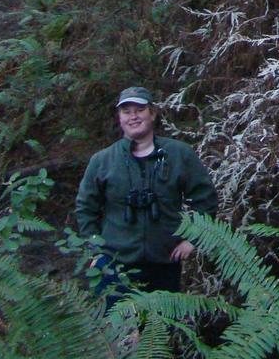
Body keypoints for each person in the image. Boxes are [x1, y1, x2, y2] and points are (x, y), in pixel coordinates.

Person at [75, 85, 218, 298]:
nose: (133, 116)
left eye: (140, 110)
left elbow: (205, 198)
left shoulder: (179, 154)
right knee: (118, 329)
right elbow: (86, 207)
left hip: (165, 261)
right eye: (126, 111)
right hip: (114, 263)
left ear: (152, 114)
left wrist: (193, 240)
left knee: (161, 329)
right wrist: (95, 249)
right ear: (120, 118)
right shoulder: (103, 160)